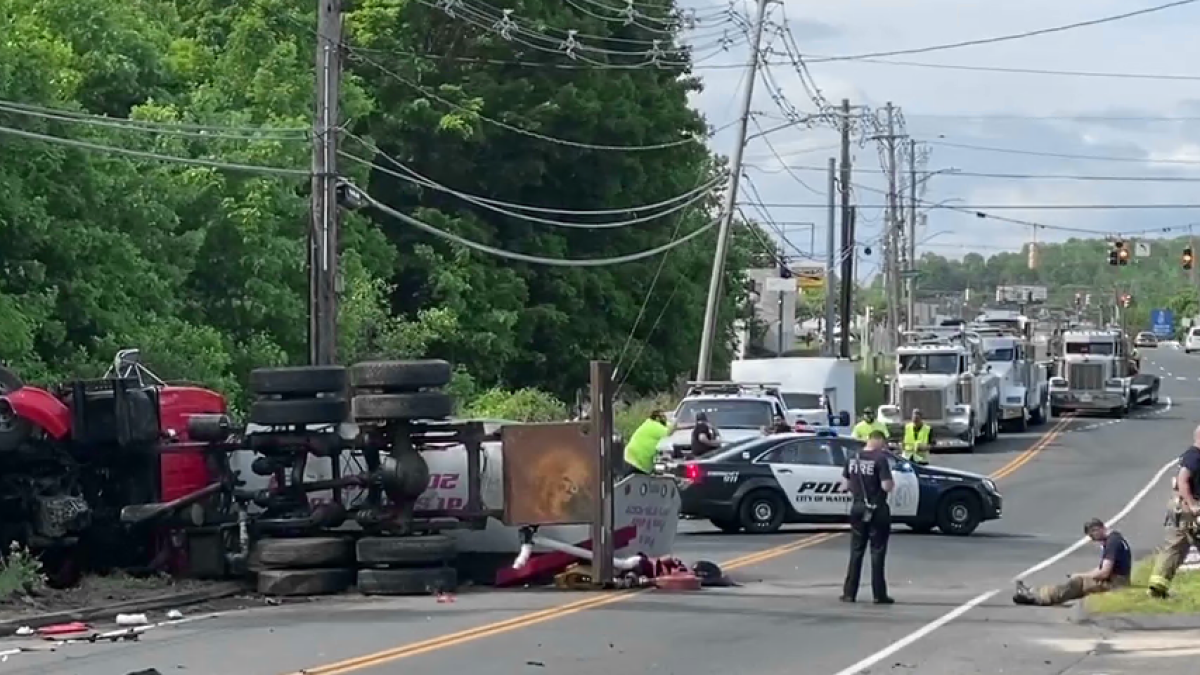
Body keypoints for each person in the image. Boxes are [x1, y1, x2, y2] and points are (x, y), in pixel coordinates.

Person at [1013, 518, 1131, 605]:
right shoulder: (1115, 538)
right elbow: (1100, 569)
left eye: (1092, 535)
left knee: (1076, 583)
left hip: (1115, 582)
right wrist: (1086, 574)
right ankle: (1034, 591)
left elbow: (1104, 572)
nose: (1091, 539)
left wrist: (1081, 576)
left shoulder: (1112, 543)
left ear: (1097, 529)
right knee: (1075, 582)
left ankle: (1036, 598)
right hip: (1116, 579)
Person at [840, 430, 896, 605]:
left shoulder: (852, 457)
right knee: (877, 552)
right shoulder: (880, 459)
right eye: (884, 444)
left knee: (856, 551)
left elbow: (845, 484)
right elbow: (886, 486)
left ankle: (849, 593)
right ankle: (879, 594)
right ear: (878, 440)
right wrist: (892, 482)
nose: (884, 448)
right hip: (877, 509)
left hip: (857, 508)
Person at [1147, 427, 1200, 598]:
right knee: (1179, 545)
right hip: (1188, 509)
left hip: (1178, 507)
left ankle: (1157, 586)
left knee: (1174, 547)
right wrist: (1192, 504)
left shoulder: (1190, 455)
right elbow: (1182, 480)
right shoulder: (1195, 456)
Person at [623, 410, 670, 476]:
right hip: (637, 462)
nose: (664, 419)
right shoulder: (655, 426)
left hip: (631, 459)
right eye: (662, 417)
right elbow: (669, 432)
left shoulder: (649, 424)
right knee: (637, 483)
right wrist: (678, 424)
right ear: (657, 418)